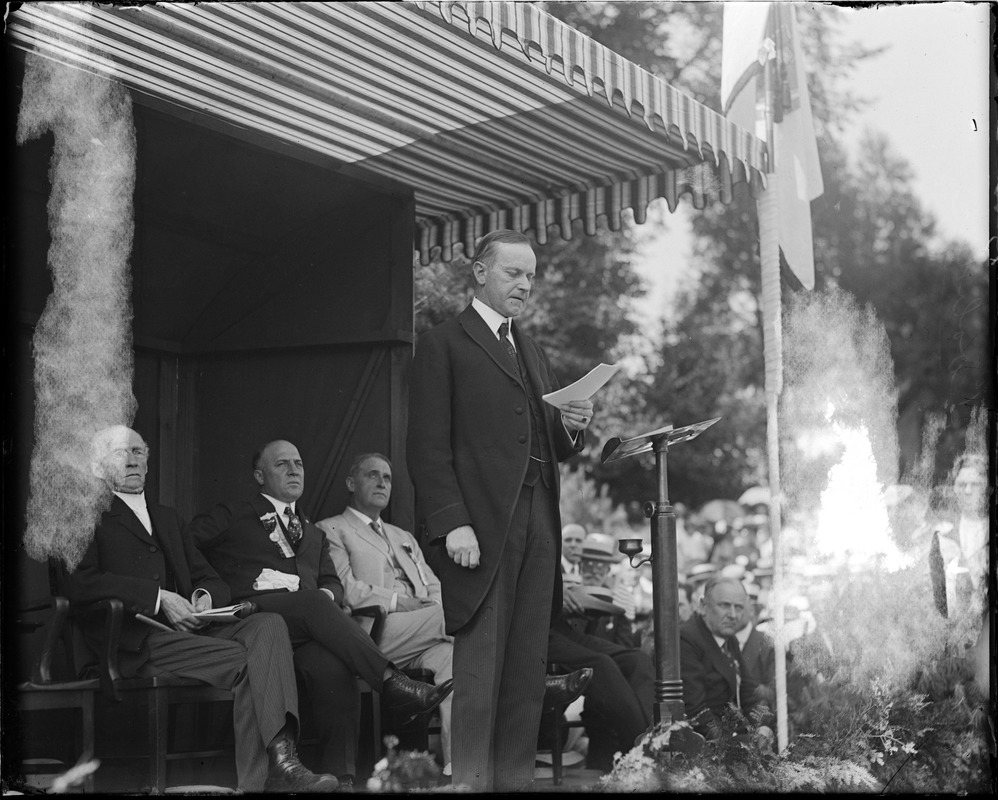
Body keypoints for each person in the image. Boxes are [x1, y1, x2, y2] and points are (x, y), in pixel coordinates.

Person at [406, 229, 592, 791]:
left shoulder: (532, 350)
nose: (525, 285)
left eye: (531, 276)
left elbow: (551, 442)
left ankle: (514, 783)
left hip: (540, 520)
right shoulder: (443, 343)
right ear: (480, 273)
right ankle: (471, 784)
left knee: (525, 668)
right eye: (514, 272)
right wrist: (452, 521)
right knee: (481, 669)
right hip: (482, 526)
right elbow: (427, 448)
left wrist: (572, 427)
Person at [65, 426, 337, 793]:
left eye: (137, 452)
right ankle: (269, 777)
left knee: (269, 624)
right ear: (98, 466)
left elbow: (209, 577)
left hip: (192, 632)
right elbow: (79, 583)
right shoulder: (84, 516)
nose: (131, 460)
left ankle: (280, 764)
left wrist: (204, 597)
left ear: (147, 460)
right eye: (119, 453)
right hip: (134, 639)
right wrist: (160, 598)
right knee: (251, 664)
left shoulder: (167, 517)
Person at [187, 439, 453, 783]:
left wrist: (328, 594)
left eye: (298, 463)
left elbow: (333, 583)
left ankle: (339, 779)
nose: (294, 469)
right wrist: (208, 589)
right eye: (282, 464)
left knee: (334, 667)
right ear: (259, 475)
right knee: (315, 601)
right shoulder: (234, 514)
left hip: (302, 628)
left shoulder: (312, 533)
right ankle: (392, 683)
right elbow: (183, 541)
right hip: (254, 616)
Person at [315, 453, 455, 778]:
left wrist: (431, 607)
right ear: (351, 483)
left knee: (456, 659)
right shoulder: (332, 529)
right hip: (373, 633)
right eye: (372, 475)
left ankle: (455, 769)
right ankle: (525, 675)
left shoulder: (402, 536)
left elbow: (433, 586)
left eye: (388, 478)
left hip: (425, 630)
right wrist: (400, 602)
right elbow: (347, 589)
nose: (382, 483)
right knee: (465, 623)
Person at [548, 533, 655, 772]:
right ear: (580, 564)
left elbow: (624, 643)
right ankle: (645, 748)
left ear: (608, 570)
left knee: (637, 659)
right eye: (590, 564)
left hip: (579, 650)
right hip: (547, 636)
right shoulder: (568, 584)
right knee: (602, 663)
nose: (594, 569)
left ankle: (653, 734)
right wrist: (561, 595)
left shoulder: (615, 598)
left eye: (601, 565)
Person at [679, 575, 772, 741]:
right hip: (703, 744)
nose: (733, 615)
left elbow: (748, 692)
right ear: (702, 606)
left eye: (739, 607)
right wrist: (735, 742)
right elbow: (694, 710)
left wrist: (763, 726)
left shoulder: (728, 638)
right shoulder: (687, 639)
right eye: (725, 605)